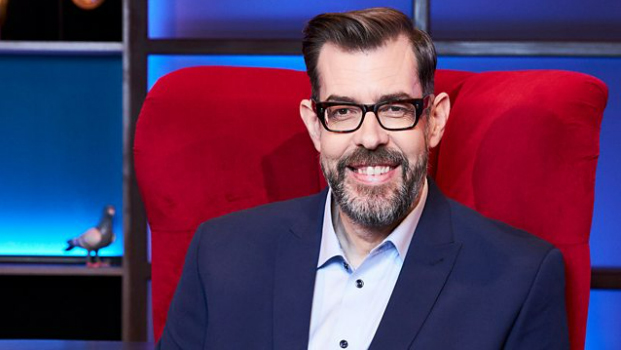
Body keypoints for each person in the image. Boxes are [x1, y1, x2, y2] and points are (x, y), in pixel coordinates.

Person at [157, 7, 568, 350]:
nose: (370, 138)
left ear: (435, 120)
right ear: (314, 126)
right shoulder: (219, 254)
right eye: (342, 112)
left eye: (394, 108)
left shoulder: (522, 277)